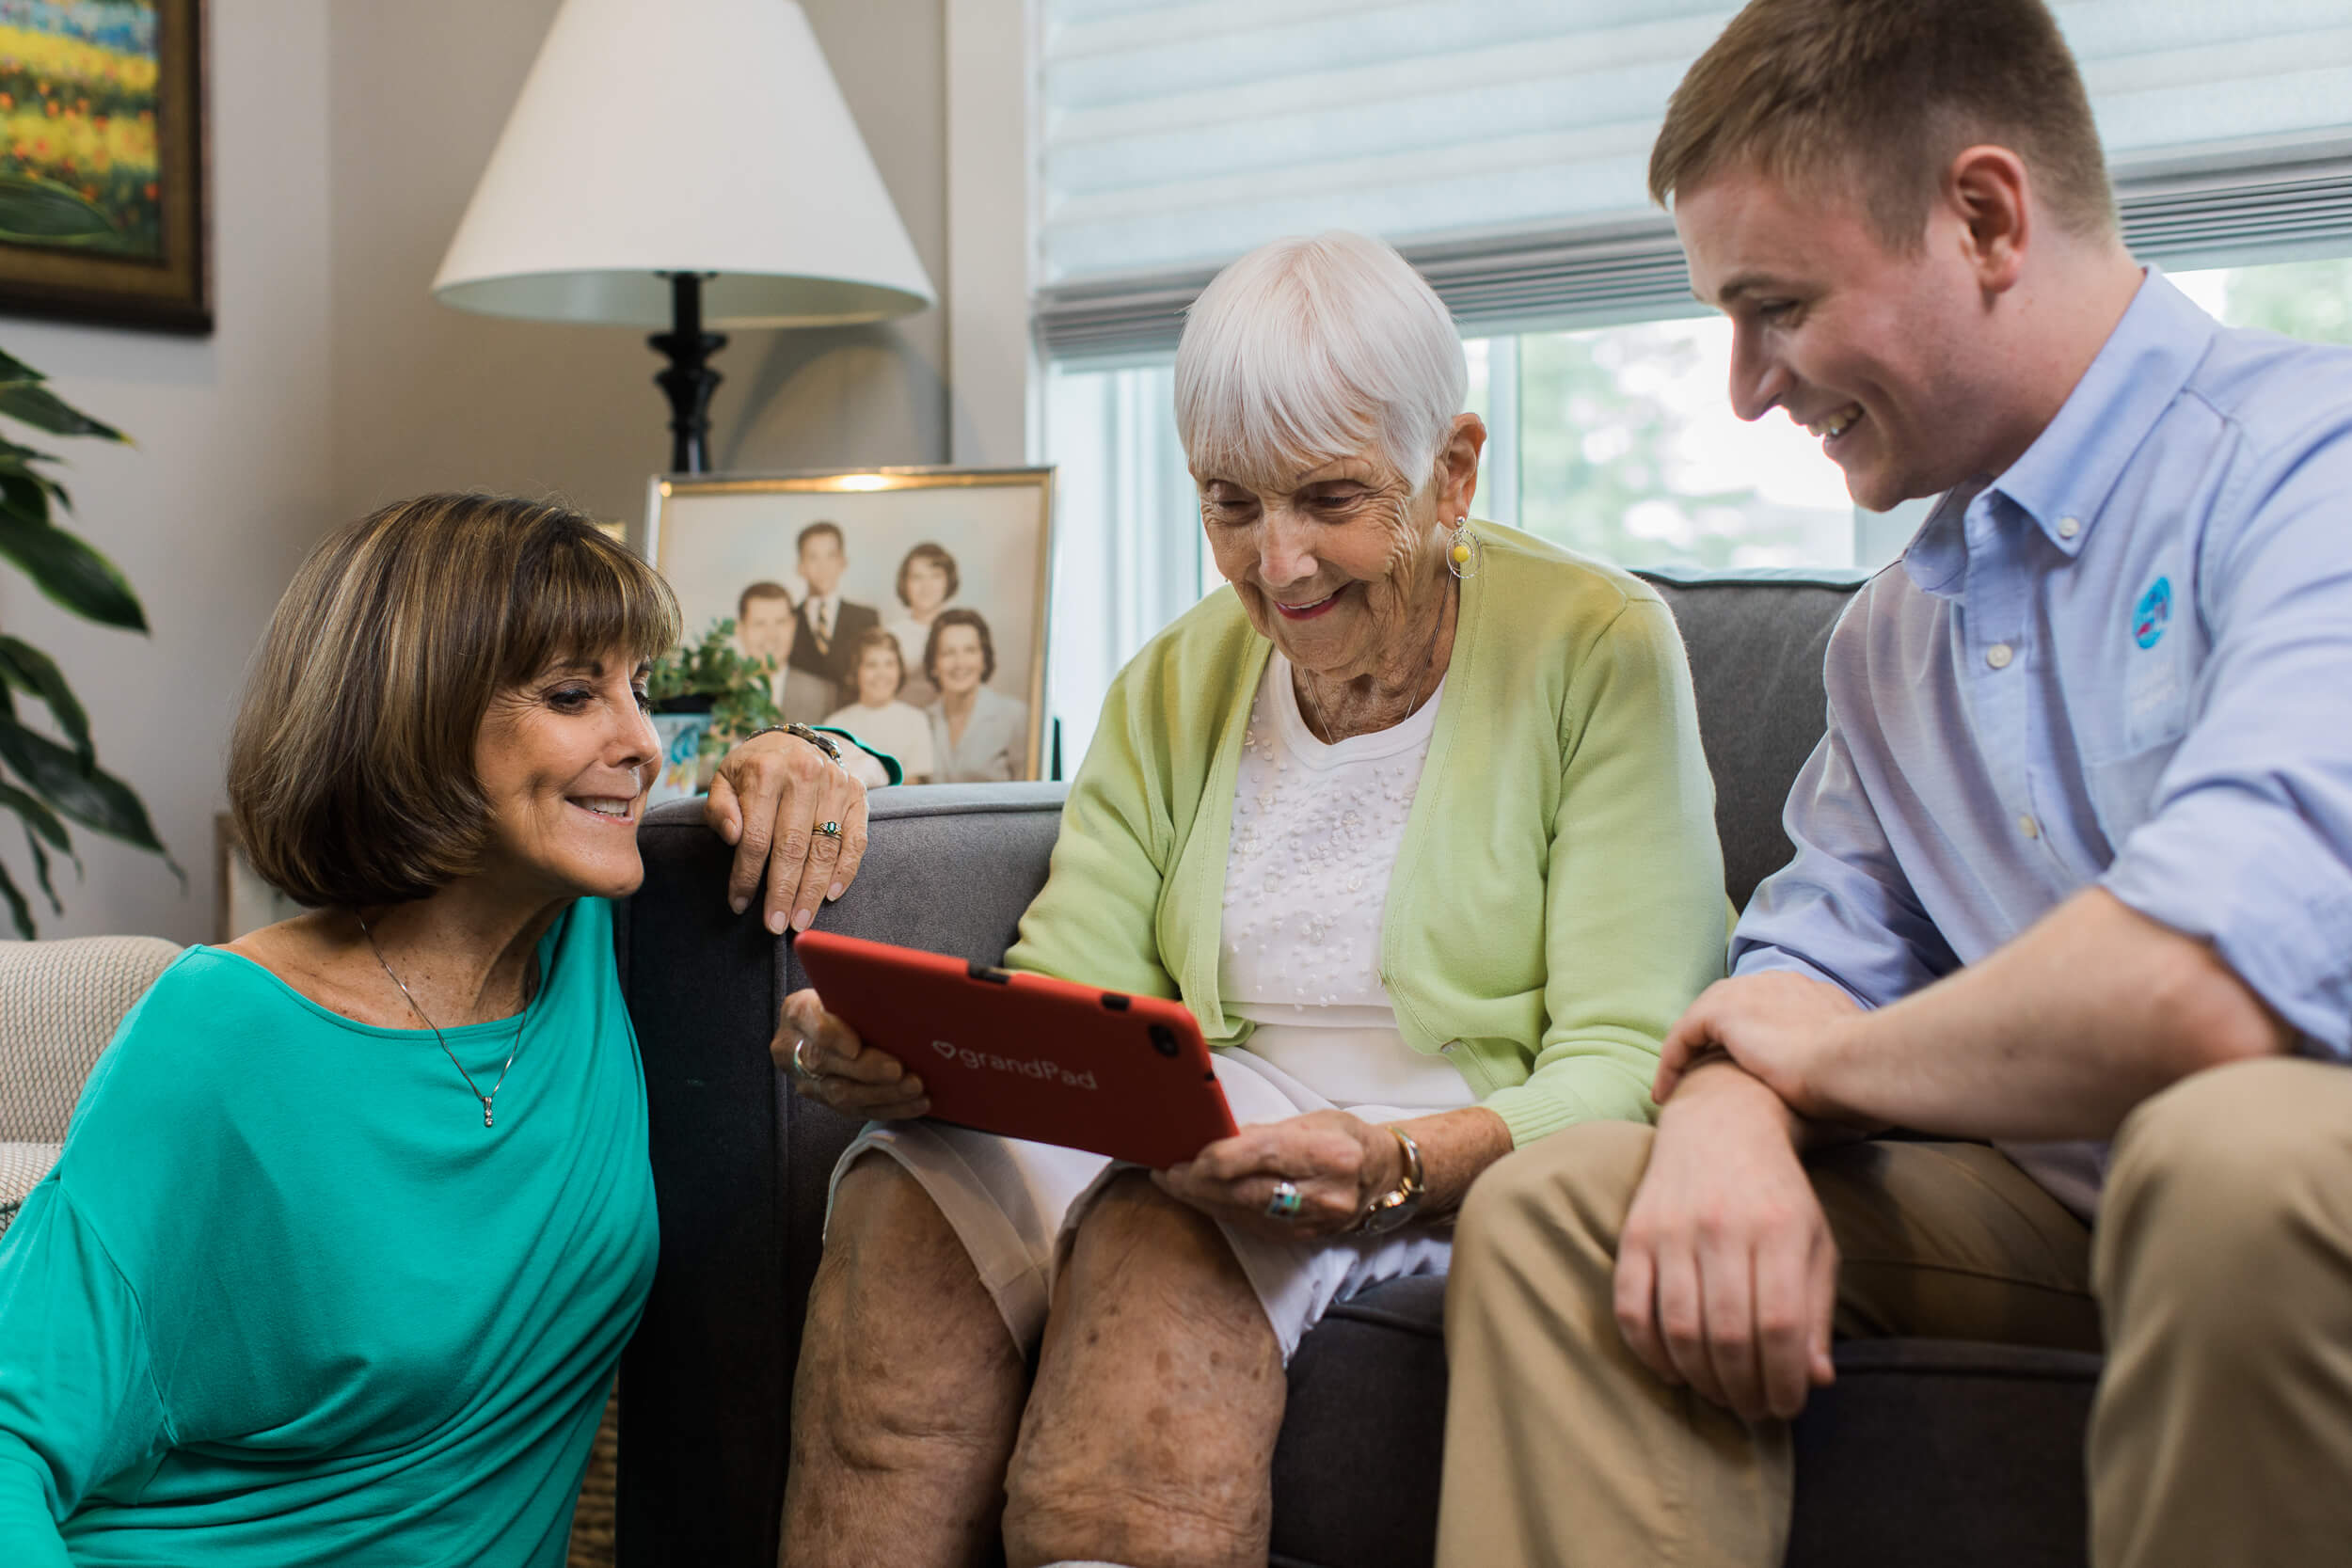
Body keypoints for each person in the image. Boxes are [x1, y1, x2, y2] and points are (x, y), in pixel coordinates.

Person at [1436, 5, 2352, 1567]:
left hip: (2282, 1160)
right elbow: (1794, 965)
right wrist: (1727, 1109)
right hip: (2083, 1192)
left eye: (1775, 306)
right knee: (1564, 1211)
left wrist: (1821, 1068)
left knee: (2229, 1155)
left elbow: (2201, 991)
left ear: (1985, 217)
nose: (1742, 386)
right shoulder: (1894, 638)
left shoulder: (2306, 463)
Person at [775, 231, 1729, 1567]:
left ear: (1450, 471)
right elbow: (1073, 988)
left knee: (1171, 1228)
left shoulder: (1597, 648)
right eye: (1231, 503)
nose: (1275, 566)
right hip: (1207, 1106)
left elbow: (1639, 1054)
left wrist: (1399, 1158)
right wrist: (910, 1053)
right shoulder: (1176, 678)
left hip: (1451, 1139)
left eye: (1329, 498)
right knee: (906, 1200)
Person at [0, 495, 875, 1565]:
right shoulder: (218, 1034)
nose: (643, 743)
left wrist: (811, 747)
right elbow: (11, 1432)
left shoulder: (611, 941)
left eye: (637, 690)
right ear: (413, 714)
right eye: (572, 693)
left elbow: (889, 826)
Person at [922, 608, 1029, 784]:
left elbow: (1031, 793)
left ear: (984, 660)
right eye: (948, 653)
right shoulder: (923, 720)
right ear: (934, 664)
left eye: (970, 650)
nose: (959, 663)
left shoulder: (1015, 716)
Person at [787, 522, 882, 711]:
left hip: (853, 721)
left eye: (830, 556)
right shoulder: (788, 620)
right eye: (813, 557)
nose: (823, 567)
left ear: (843, 562)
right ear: (800, 567)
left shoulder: (866, 618)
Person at [824, 627, 935, 783]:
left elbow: (914, 783)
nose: (881, 673)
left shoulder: (916, 721)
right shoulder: (835, 724)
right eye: (871, 665)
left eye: (889, 664)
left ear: (899, 670)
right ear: (856, 671)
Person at [738, 578, 840, 725]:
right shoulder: (716, 692)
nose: (771, 636)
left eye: (780, 622)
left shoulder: (824, 694)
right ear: (740, 630)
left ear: (793, 625)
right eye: (759, 624)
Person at [884, 541, 960, 707]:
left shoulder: (960, 632)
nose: (926, 586)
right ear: (905, 583)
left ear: (948, 581)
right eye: (917, 577)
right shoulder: (891, 635)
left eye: (935, 576)